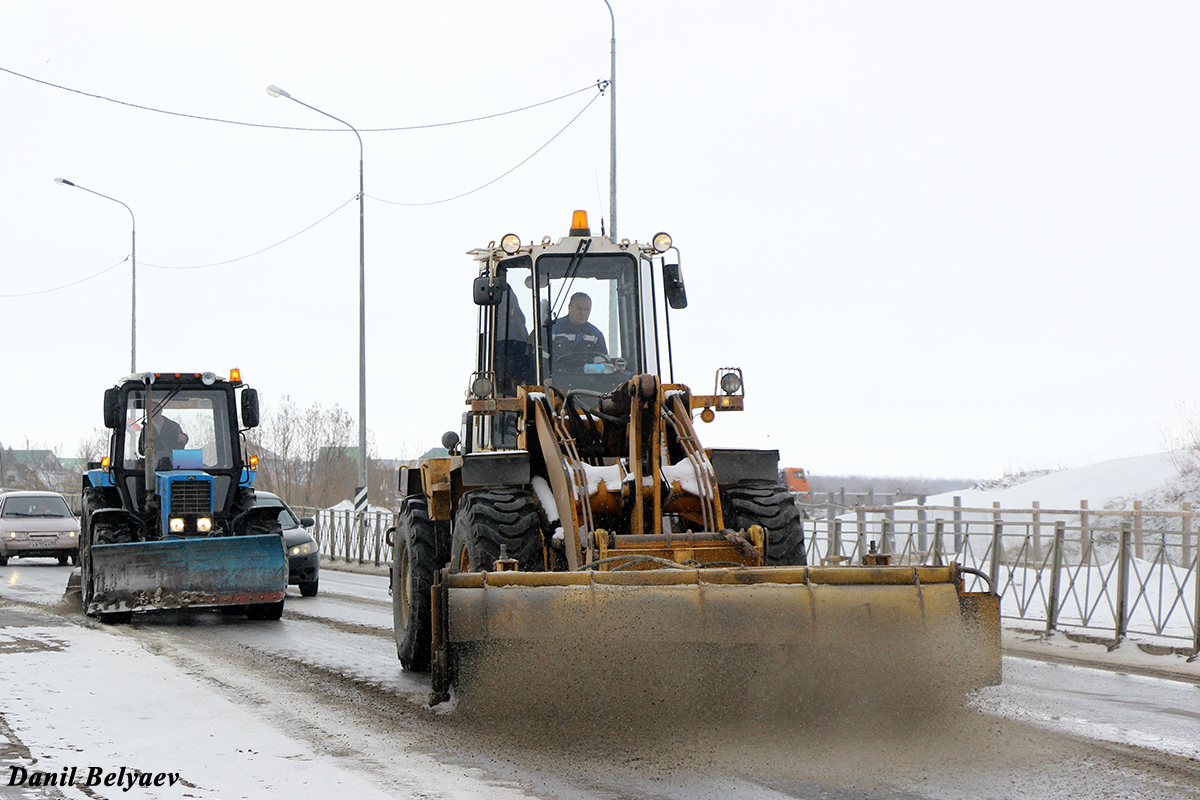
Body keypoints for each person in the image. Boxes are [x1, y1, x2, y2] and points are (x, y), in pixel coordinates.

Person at [551, 292, 607, 359]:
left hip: (586, 369)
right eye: (579, 308)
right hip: (557, 369)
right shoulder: (552, 330)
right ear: (570, 307)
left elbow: (603, 362)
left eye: (586, 309)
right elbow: (542, 360)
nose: (582, 313)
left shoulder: (595, 335)